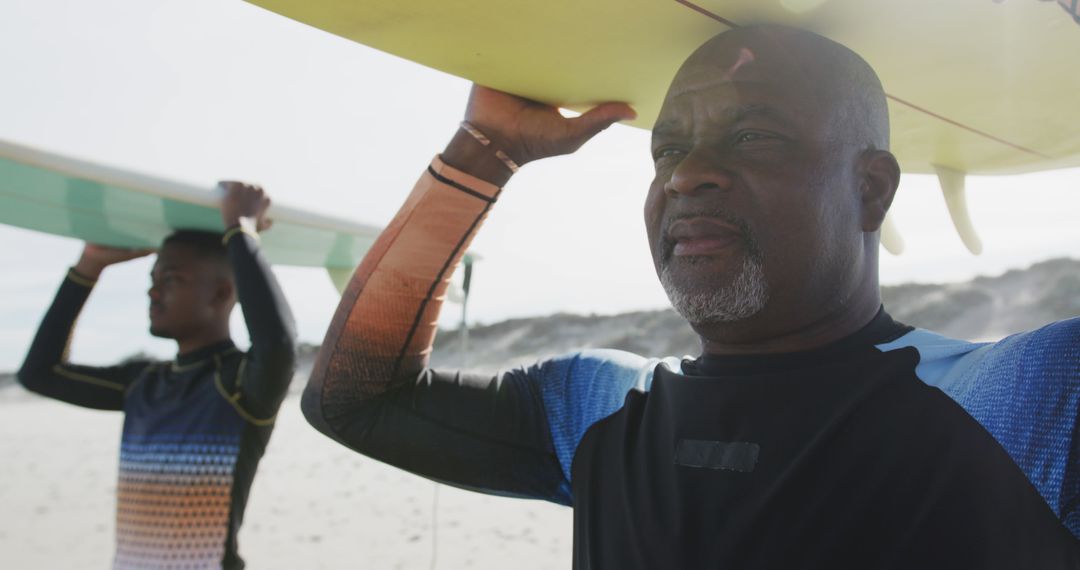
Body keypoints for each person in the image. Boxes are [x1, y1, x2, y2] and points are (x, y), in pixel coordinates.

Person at [303, 25, 1080, 569]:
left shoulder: (1025, 401)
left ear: (869, 189)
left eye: (755, 137)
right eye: (668, 148)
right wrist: (481, 155)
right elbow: (355, 400)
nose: (685, 174)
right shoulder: (599, 406)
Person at [18, 182, 296, 570]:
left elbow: (277, 343)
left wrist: (241, 231)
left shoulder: (237, 385)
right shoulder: (141, 383)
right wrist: (88, 267)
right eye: (153, 280)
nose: (152, 293)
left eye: (171, 280)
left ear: (220, 294)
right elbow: (39, 374)